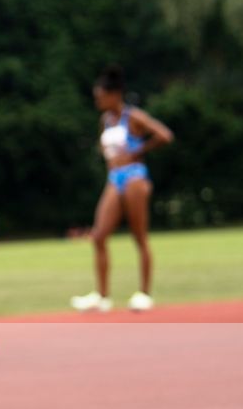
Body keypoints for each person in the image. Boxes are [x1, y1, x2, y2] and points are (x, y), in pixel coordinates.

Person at [70, 65, 174, 312]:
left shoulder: (133, 117)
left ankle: (144, 293)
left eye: (100, 96)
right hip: (114, 178)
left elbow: (164, 135)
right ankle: (102, 296)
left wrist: (137, 151)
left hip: (135, 178)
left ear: (115, 95)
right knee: (99, 235)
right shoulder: (105, 120)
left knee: (139, 236)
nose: (97, 100)